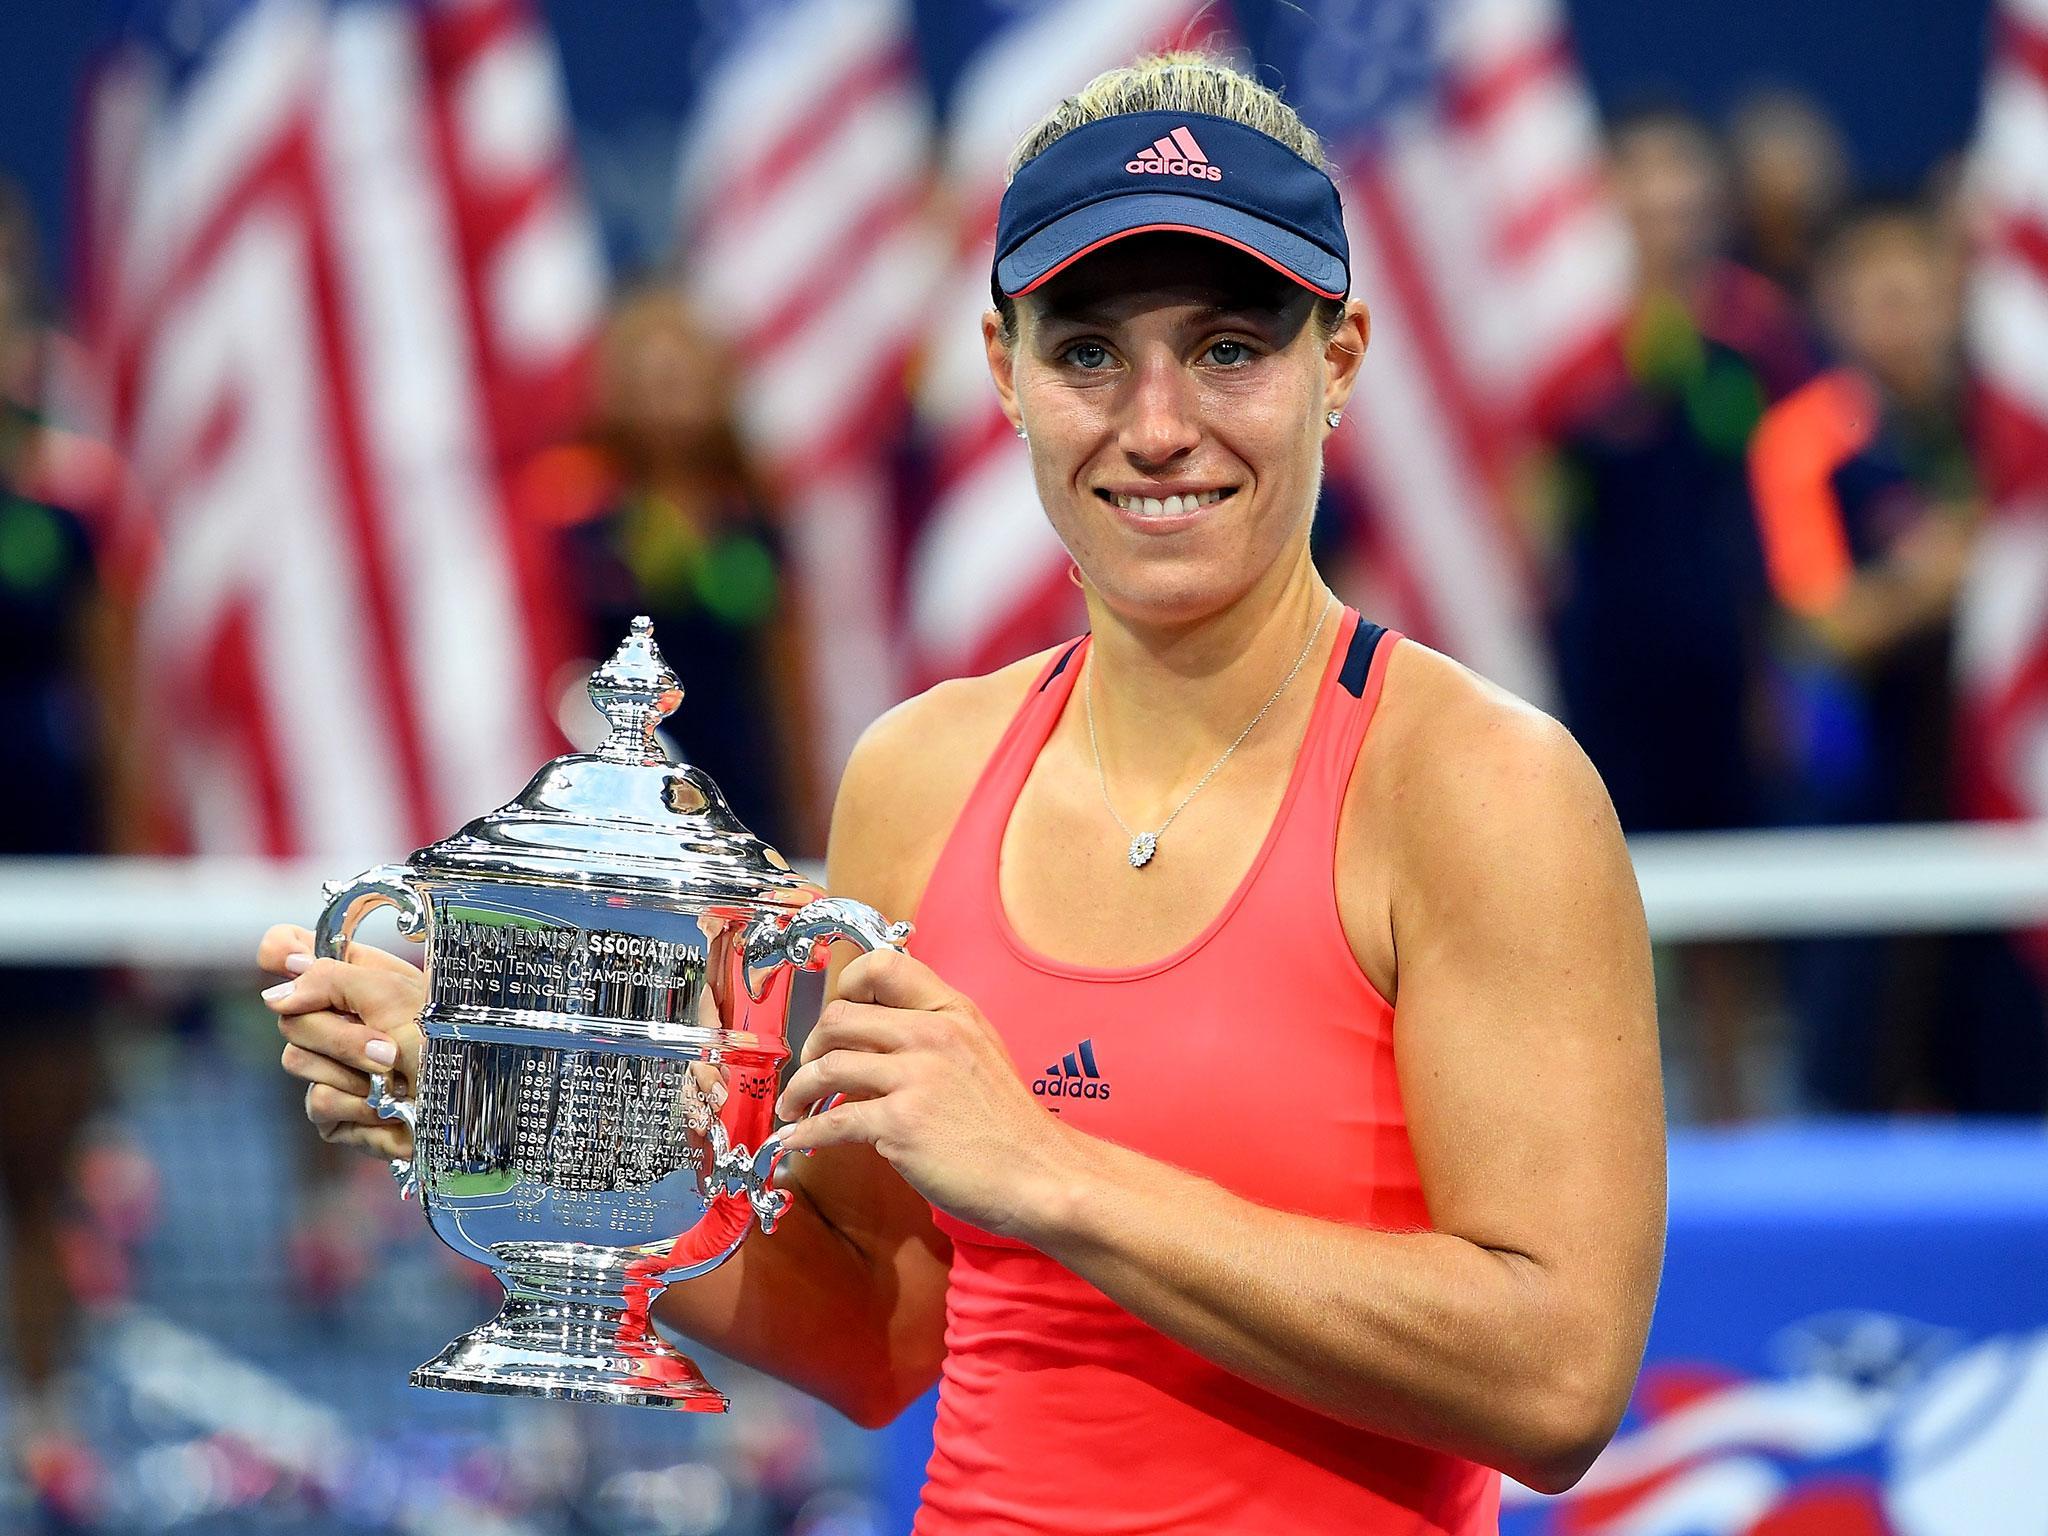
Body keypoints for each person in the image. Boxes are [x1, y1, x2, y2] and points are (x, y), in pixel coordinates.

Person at [261, 54, 1666, 1532]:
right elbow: (876, 1328)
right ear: (1004, 370)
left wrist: (1050, 1170)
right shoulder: (919, 775)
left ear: (1343, 358)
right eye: (1091, 354)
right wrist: (504, 1115)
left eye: (1232, 348)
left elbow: (1558, 1384)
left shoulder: (1481, 787)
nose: (1160, 425)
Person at [1539, 105, 1813, 1118]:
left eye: (1681, 185)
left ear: (1708, 201)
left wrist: (1779, 674)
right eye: (1641, 184)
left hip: (1724, 666)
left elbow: (1786, 504)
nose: (1663, 206)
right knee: (1606, 916)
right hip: (1602, 670)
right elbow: (1532, 502)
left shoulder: (1755, 330)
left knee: (1727, 925)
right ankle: (1622, 1135)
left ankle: (1734, 1122)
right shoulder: (1569, 342)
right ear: (1606, 199)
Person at [1748, 197, 2044, 1113]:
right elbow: (1819, 625)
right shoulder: (1804, 441)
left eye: (1916, 290)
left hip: (1993, 783)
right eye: (1876, 294)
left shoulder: (2003, 430)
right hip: (1860, 788)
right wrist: (1949, 575)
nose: (1900, 312)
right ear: (1834, 306)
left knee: (1998, 1053)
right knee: (1856, 1047)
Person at [515, 282, 820, 853]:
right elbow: (551, 653)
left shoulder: (750, 507)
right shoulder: (580, 509)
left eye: (687, 377)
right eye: (656, 381)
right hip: (620, 782)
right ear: (618, 390)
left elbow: (786, 671)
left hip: (742, 775)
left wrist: (804, 803)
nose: (674, 399)